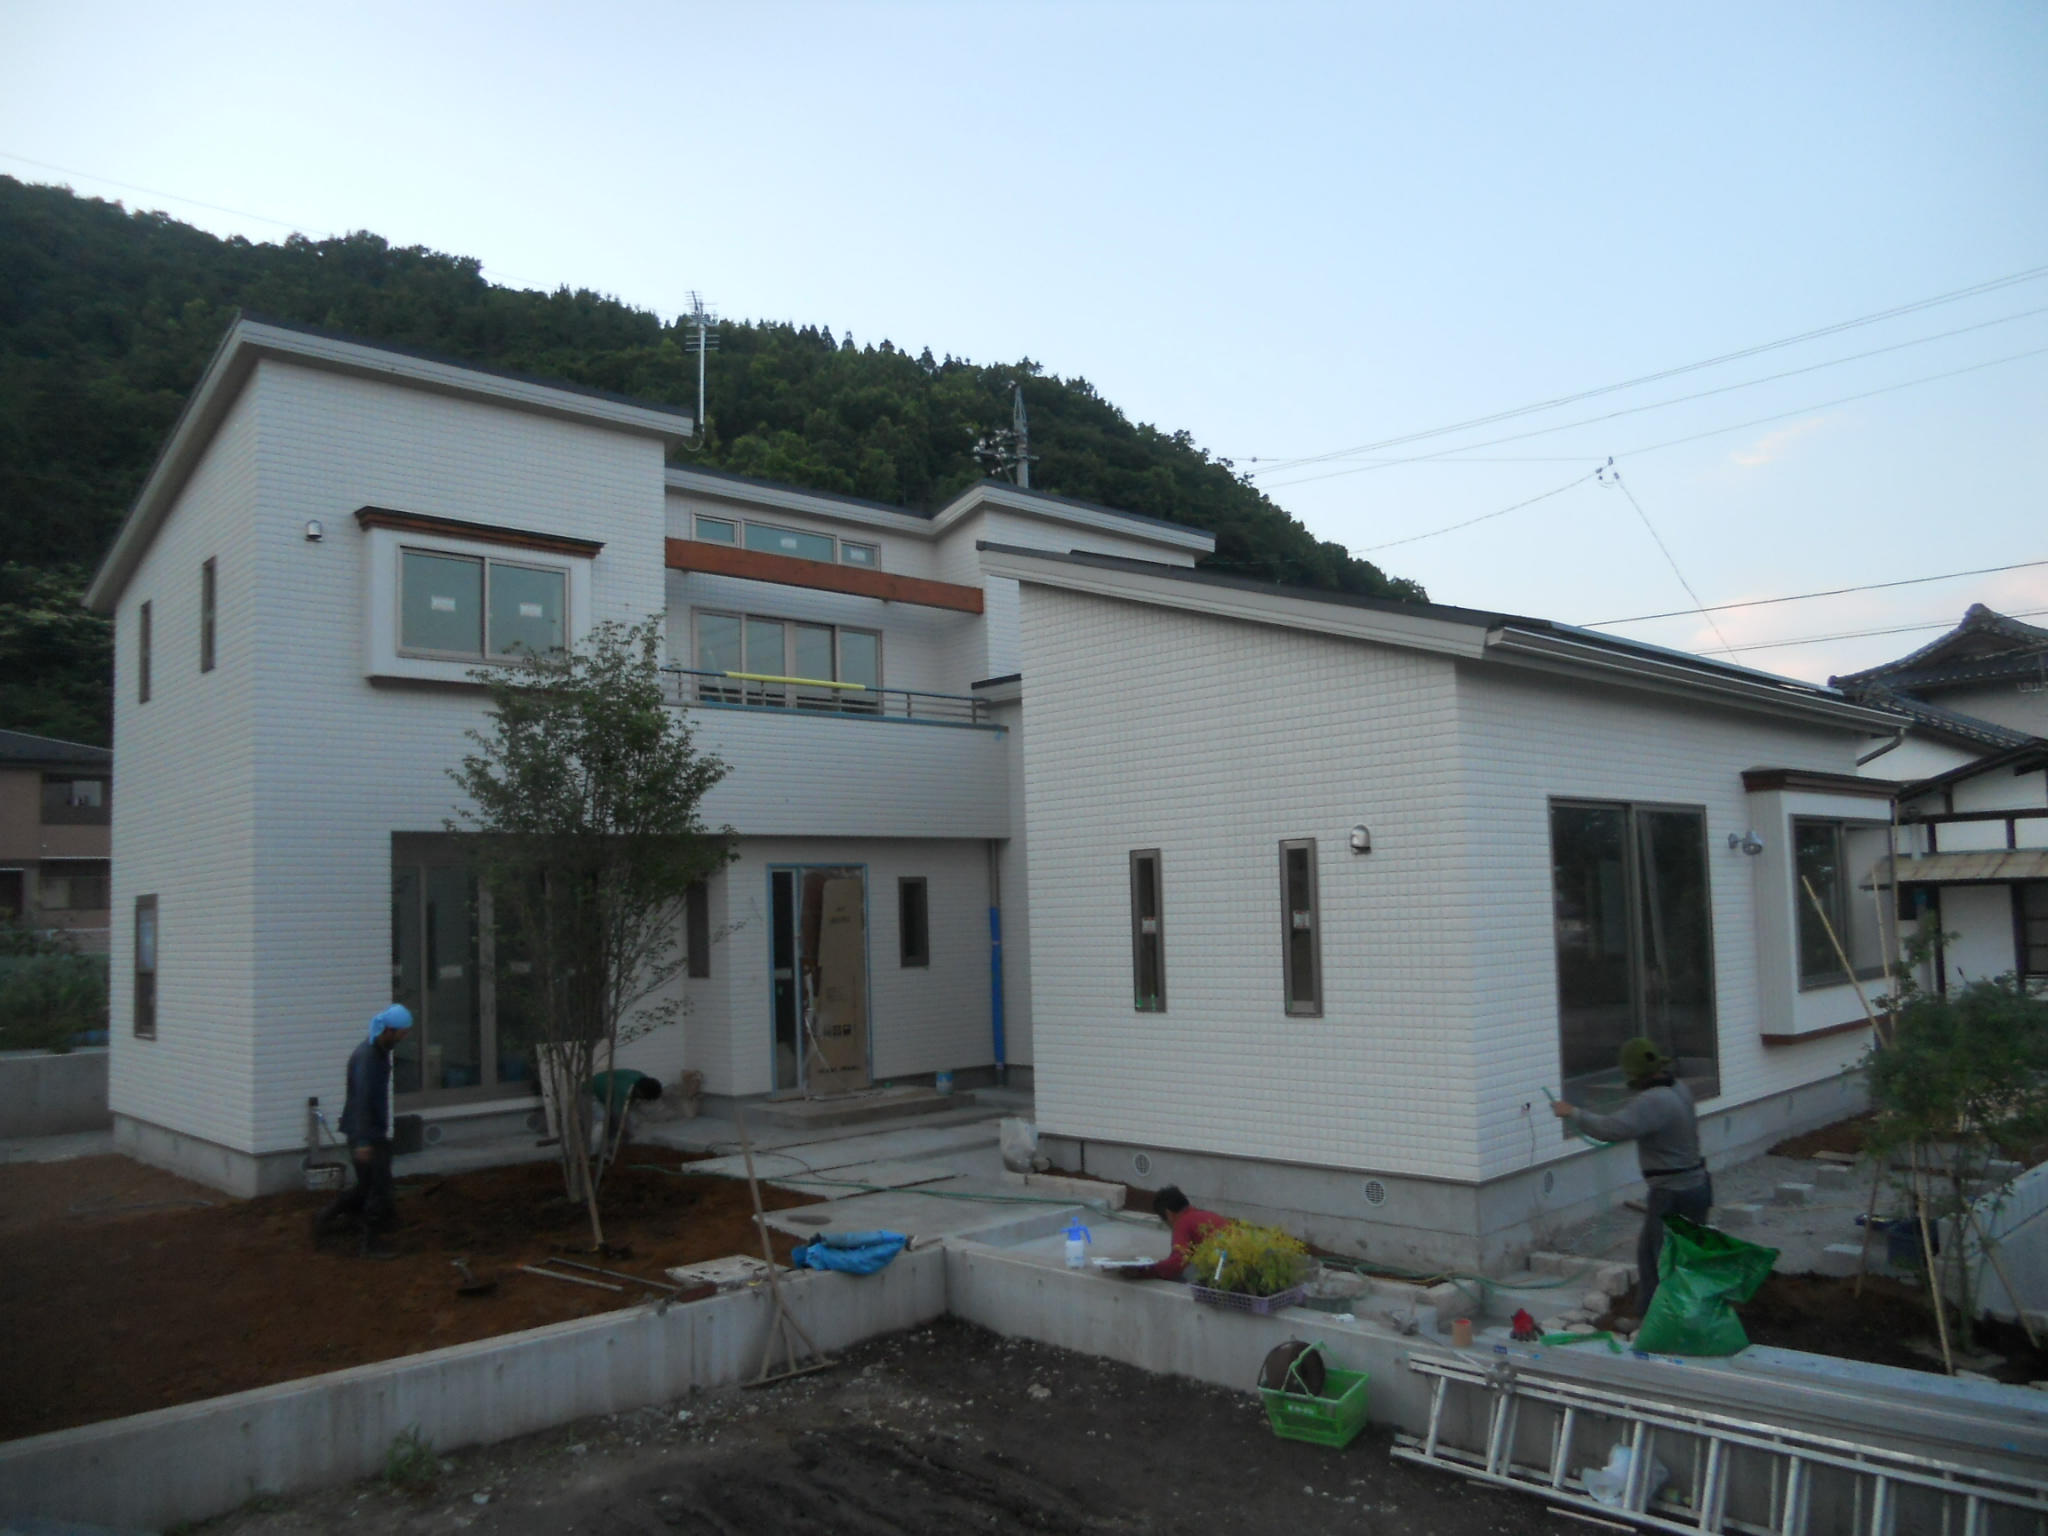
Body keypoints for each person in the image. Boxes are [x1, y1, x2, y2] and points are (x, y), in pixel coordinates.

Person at [1551, 1037, 1710, 1321]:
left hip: (1673, 1194)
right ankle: (1657, 1319)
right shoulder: (1679, 1088)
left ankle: (1665, 1325)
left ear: (1635, 1074)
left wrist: (1572, 1112)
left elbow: (1611, 1128)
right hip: (1696, 1186)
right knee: (1662, 1256)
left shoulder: (1653, 1101)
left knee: (1662, 1262)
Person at [315, 1004, 413, 1259]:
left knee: (367, 1185)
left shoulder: (376, 1052)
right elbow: (362, 1100)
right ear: (389, 1030)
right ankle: (369, 1244)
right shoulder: (369, 1058)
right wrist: (363, 1141)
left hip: (367, 1131)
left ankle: (327, 1217)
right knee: (379, 1187)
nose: (403, 1038)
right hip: (367, 1133)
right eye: (402, 1033)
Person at [1118, 1186, 1228, 1282]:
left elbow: (1178, 1262)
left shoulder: (1183, 1222)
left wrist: (1145, 1271)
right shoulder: (1205, 1216)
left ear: (1168, 1214)